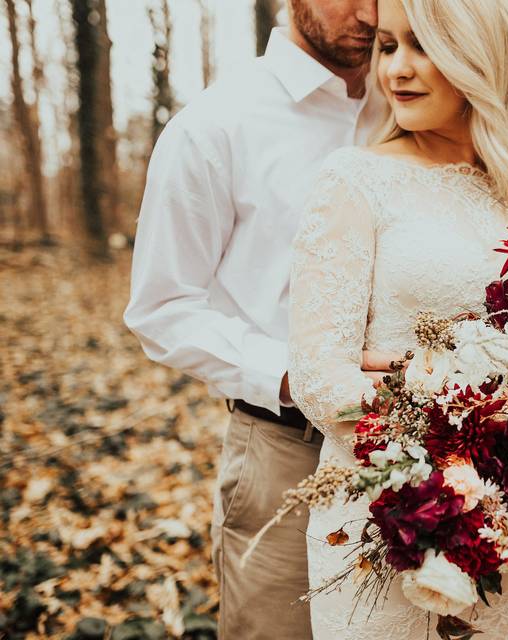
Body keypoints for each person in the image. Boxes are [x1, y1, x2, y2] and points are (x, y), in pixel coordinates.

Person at [287, 0, 508, 638]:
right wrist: (457, 412)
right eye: (388, 46)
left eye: (424, 46)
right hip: (390, 520)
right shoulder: (355, 182)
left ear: (482, 56)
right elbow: (319, 379)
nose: (397, 70)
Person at [123, 2, 391, 637]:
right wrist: (295, 375)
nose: (371, 13)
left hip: (429, 449)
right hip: (286, 451)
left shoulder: (414, 101)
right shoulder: (216, 128)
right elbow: (162, 308)